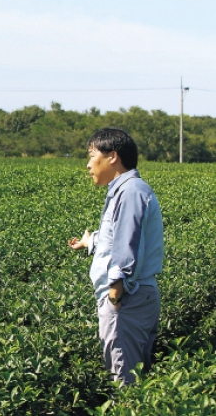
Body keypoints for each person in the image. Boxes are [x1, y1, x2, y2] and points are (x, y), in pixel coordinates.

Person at [68, 127, 164, 386]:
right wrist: (91, 241)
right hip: (134, 298)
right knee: (135, 379)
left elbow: (127, 244)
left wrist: (115, 295)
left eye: (91, 156)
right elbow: (116, 237)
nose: (88, 165)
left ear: (112, 156)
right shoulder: (126, 189)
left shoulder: (130, 191)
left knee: (124, 384)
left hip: (127, 301)